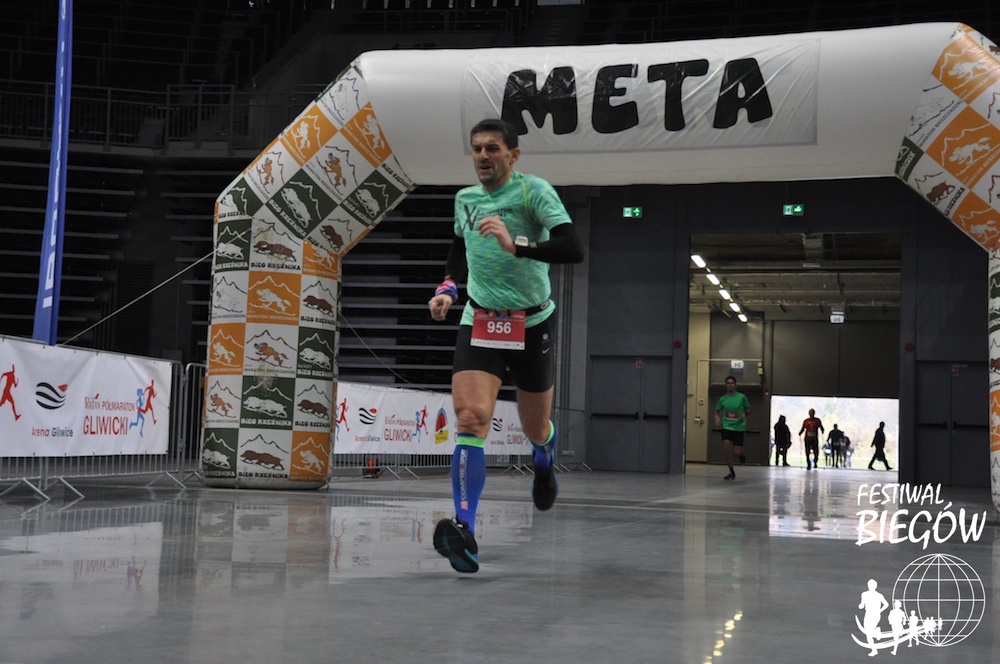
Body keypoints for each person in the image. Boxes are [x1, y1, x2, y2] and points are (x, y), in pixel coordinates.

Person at [428, 118, 584, 573]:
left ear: (513, 155)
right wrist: (448, 288)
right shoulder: (466, 199)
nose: (482, 156)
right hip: (480, 318)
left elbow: (573, 248)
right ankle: (464, 530)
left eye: (492, 148)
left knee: (535, 427)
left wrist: (518, 244)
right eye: (477, 148)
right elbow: (459, 250)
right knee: (470, 418)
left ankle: (544, 455)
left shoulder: (534, 192)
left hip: (532, 323)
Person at [714, 375, 751, 480]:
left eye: (732, 383)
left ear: (735, 385)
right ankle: (731, 471)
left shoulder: (742, 397)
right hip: (726, 427)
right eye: (728, 383)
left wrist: (745, 414)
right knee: (727, 448)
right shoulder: (723, 399)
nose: (730, 385)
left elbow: (749, 409)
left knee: (736, 451)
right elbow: (716, 411)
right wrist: (716, 417)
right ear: (726, 385)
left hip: (739, 428)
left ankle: (741, 455)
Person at [858, 578, 889, 657]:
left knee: (868, 632)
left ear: (875, 586)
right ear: (868, 585)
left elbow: (886, 604)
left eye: (872, 585)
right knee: (868, 634)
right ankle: (874, 649)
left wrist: (880, 610)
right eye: (869, 585)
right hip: (868, 614)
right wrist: (860, 606)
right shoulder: (864, 594)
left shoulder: (879, 595)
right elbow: (862, 604)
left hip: (875, 614)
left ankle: (876, 632)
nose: (871, 586)